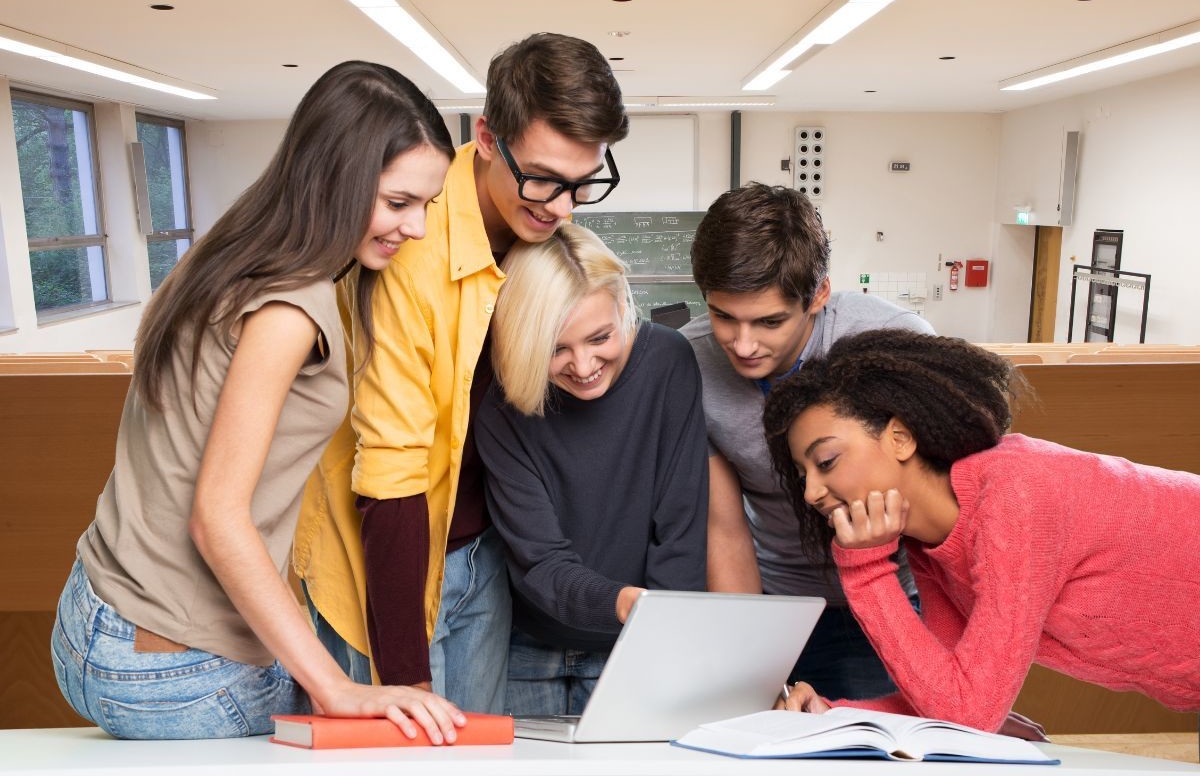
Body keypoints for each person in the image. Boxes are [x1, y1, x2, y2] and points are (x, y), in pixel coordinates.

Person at [50, 62, 466, 740]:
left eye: (428, 205)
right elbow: (216, 517)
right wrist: (334, 688)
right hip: (174, 660)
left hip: (93, 615)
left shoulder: (228, 251)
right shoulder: (290, 308)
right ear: (335, 179)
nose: (416, 228)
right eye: (397, 202)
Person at [294, 33, 628, 713]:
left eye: (581, 183)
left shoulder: (542, 227)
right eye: (541, 178)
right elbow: (390, 474)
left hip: (482, 554)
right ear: (484, 136)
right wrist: (405, 680)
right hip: (386, 558)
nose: (560, 207)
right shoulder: (410, 250)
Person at [767, 329, 1200, 732]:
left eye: (825, 462)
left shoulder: (1014, 495)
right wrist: (833, 715)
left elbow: (967, 713)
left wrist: (864, 571)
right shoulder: (931, 546)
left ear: (899, 438)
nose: (812, 494)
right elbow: (943, 696)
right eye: (803, 476)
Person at [679, 183, 932, 701]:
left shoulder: (895, 342)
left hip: (895, 595)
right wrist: (754, 659)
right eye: (724, 317)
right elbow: (723, 527)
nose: (743, 345)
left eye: (769, 321)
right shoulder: (690, 363)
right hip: (776, 606)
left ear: (818, 294)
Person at [474, 224, 708, 715]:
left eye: (601, 337)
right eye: (555, 349)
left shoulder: (668, 362)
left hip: (638, 646)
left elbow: (681, 531)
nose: (583, 366)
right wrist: (627, 603)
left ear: (624, 305)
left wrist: (661, 635)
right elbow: (539, 560)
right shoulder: (500, 401)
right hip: (526, 649)